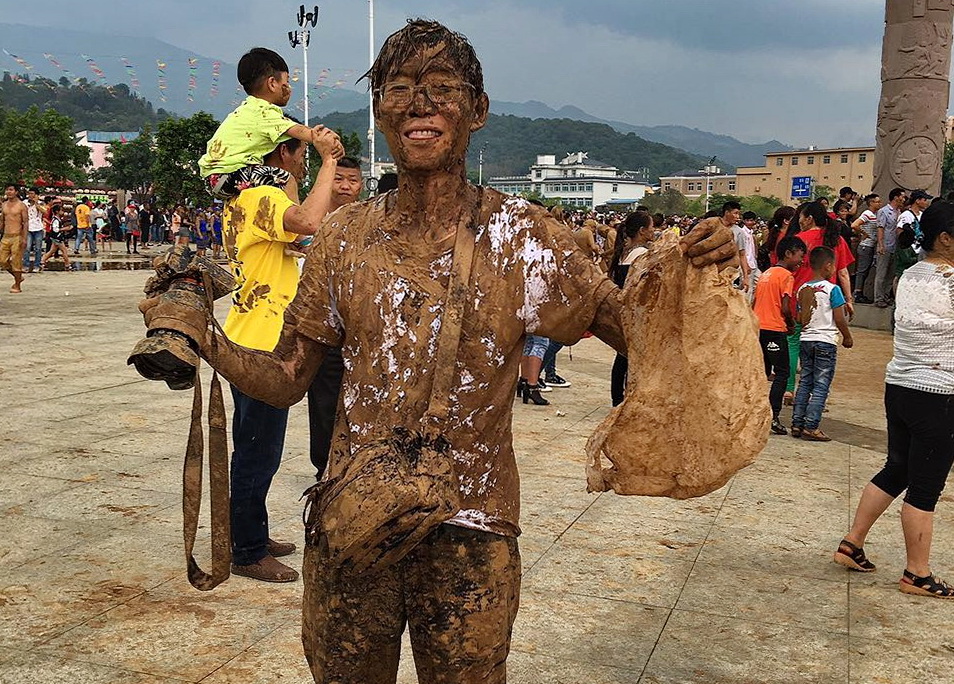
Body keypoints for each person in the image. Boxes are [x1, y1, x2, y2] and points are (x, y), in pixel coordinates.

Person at [141, 20, 736, 681]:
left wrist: (697, 278)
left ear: (477, 110)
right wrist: (207, 338)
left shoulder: (525, 237)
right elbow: (285, 378)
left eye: (441, 87)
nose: (419, 103)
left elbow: (644, 337)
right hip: (352, 527)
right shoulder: (343, 238)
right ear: (379, 110)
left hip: (472, 533)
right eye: (399, 87)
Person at [222, 123, 343, 583]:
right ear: (283, 155)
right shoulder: (262, 196)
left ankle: (251, 531)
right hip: (262, 342)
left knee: (256, 445)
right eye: (300, 155)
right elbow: (309, 222)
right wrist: (330, 161)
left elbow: (299, 240)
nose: (301, 163)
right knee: (258, 450)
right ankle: (247, 550)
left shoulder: (247, 200)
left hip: (252, 332)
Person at [834, 200, 954, 598]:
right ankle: (917, 574)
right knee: (924, 488)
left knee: (897, 468)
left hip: (900, 386)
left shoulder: (910, 275)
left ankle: (852, 543)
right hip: (939, 394)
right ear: (945, 238)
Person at [199, 47, 342, 198]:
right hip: (229, 175)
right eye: (286, 82)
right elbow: (299, 132)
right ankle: (298, 218)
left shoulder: (246, 110)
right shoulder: (264, 112)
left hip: (214, 177)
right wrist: (327, 139)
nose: (289, 89)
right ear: (272, 83)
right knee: (287, 181)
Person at [306, 156, 363, 478]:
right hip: (323, 326)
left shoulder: (368, 220)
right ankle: (324, 466)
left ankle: (357, 462)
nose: (345, 186)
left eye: (352, 180)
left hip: (360, 329)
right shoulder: (309, 218)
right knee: (325, 400)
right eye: (338, 178)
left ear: (361, 184)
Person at [782, 201, 855, 404]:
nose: (800, 221)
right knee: (823, 345)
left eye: (802, 217)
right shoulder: (836, 240)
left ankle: (789, 389)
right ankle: (816, 394)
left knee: (794, 344)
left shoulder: (796, 240)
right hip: (827, 300)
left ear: (810, 218)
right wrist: (848, 299)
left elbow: (786, 271)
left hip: (799, 297)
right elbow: (843, 272)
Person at [791, 246, 854, 441]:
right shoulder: (832, 289)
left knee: (805, 382)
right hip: (825, 340)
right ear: (828, 266)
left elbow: (800, 317)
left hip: (806, 339)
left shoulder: (802, 288)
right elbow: (839, 317)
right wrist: (847, 336)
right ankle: (811, 426)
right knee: (821, 384)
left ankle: (797, 422)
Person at [753, 235, 806, 435]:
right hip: (775, 329)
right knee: (782, 372)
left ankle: (755, 413)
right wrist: (791, 324)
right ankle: (773, 416)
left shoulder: (766, 274)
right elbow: (785, 306)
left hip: (759, 327)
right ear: (788, 253)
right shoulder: (786, 276)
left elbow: (755, 302)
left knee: (762, 372)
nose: (801, 261)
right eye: (799, 256)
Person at [607, 210, 653, 406]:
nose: (654, 231)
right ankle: (626, 400)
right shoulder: (642, 254)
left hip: (624, 311)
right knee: (632, 358)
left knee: (622, 356)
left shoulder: (624, 253)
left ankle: (617, 398)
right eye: (651, 228)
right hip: (637, 313)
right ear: (642, 231)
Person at [875, 187, 906, 307]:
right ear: (895, 197)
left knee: (891, 274)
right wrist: (881, 244)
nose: (903, 199)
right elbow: (880, 228)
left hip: (895, 246)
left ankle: (886, 296)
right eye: (902, 196)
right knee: (881, 273)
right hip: (886, 245)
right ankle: (879, 298)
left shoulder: (899, 212)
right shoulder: (883, 211)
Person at [850, 193, 882, 303]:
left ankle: (860, 292)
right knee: (862, 270)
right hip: (865, 245)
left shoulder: (875, 214)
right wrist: (863, 233)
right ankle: (857, 292)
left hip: (871, 245)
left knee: (866, 270)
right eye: (877, 202)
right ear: (871, 203)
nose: (879, 204)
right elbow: (854, 225)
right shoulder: (867, 214)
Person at [0, 184, 28, 292]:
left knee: (16, 262)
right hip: (6, 236)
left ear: (16, 192)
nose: (9, 192)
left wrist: (24, 238)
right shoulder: (4, 205)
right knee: (2, 261)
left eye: (11, 190)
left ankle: (17, 285)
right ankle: (19, 277)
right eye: (7, 190)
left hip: (17, 236)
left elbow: (25, 223)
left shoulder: (21, 206)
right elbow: (2, 221)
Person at [22, 187, 46, 273]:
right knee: (27, 247)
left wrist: (36, 203)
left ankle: (37, 265)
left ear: (37, 195)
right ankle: (26, 265)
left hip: (38, 227)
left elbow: (45, 212)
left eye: (32, 194)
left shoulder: (41, 203)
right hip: (28, 227)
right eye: (29, 194)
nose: (30, 195)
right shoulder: (24, 203)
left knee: (38, 248)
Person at [40, 204, 71, 269]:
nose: (62, 212)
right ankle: (67, 264)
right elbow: (55, 230)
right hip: (57, 238)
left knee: (52, 251)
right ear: (57, 211)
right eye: (61, 210)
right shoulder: (56, 220)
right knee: (64, 250)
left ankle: (42, 261)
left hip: (55, 237)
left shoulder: (56, 219)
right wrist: (65, 228)